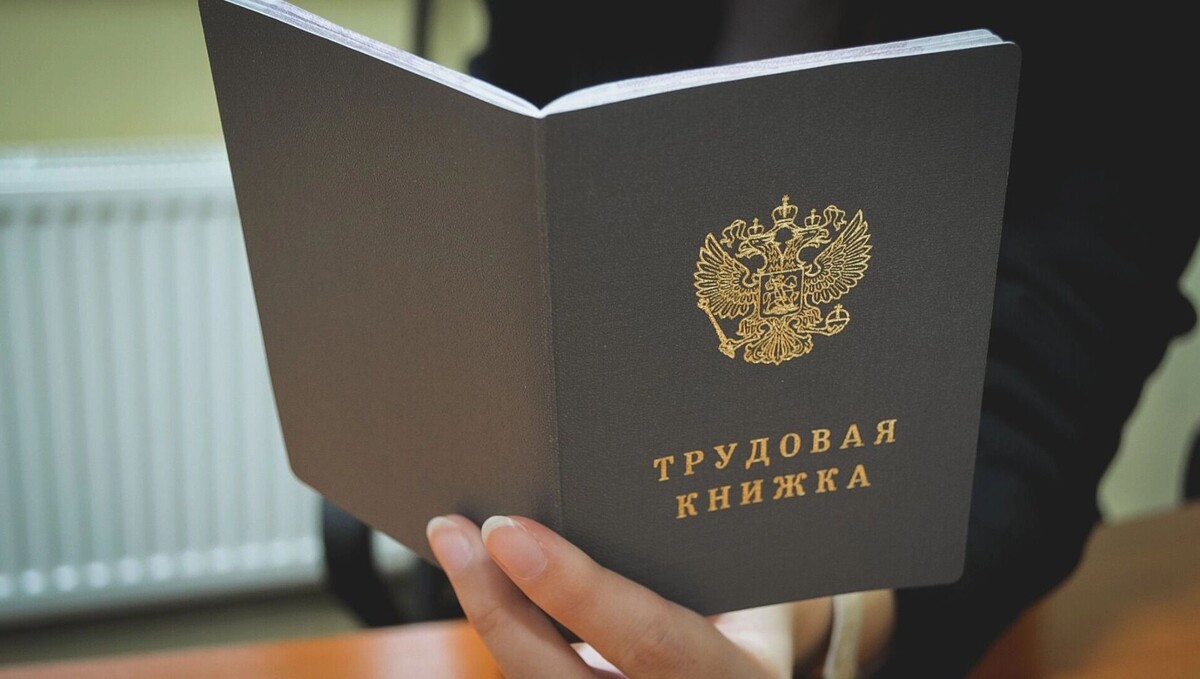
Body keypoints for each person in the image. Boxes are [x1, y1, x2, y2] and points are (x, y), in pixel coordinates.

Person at [427, 1, 1200, 675]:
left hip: (915, 560)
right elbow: (522, 114)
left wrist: (834, 614)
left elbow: (1075, 309)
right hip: (532, 544)